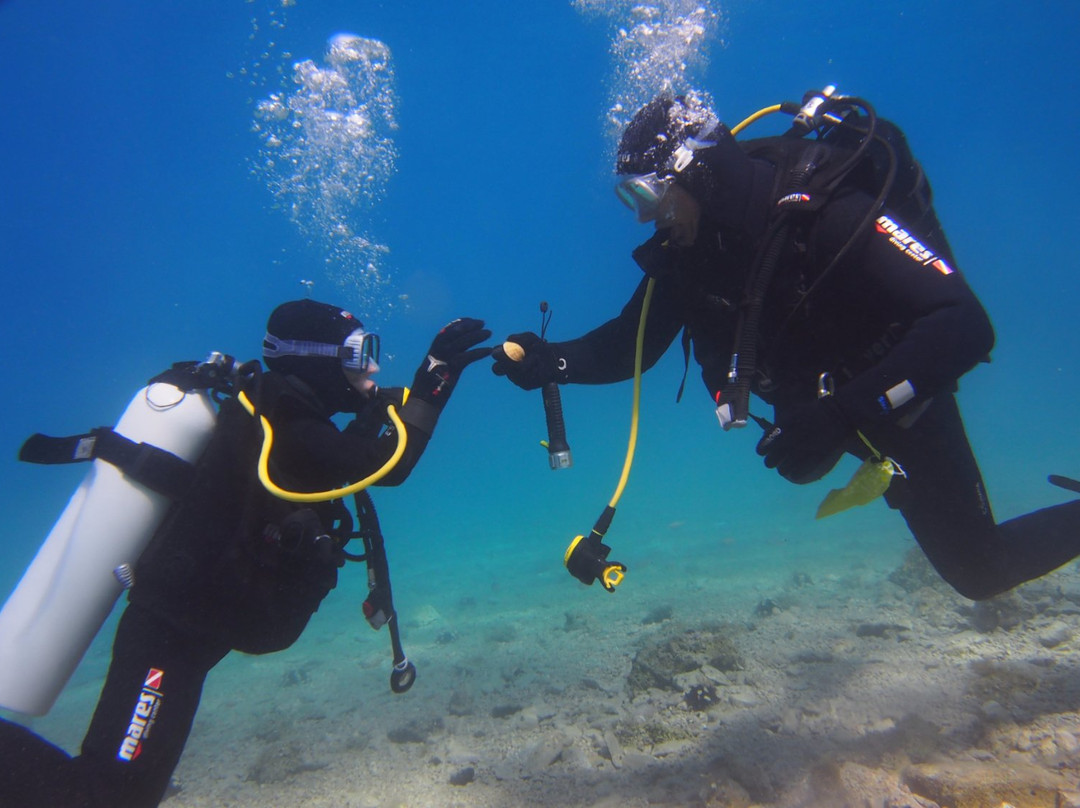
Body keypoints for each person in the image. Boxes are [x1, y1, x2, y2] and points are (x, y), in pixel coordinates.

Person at [491, 89, 1080, 600]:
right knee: (833, 472)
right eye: (632, 201)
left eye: (648, 197)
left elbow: (965, 323)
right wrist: (552, 361)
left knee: (981, 568)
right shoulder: (688, 256)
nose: (648, 220)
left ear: (696, 172)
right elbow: (628, 347)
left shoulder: (826, 212)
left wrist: (842, 415)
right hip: (820, 409)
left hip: (898, 398)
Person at [0, 298, 491, 808]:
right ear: (315, 359)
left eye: (370, 350)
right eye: (356, 353)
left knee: (123, 793)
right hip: (171, 631)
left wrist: (377, 407)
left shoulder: (277, 412)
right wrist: (437, 376)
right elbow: (386, 465)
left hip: (194, 626)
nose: (370, 365)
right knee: (108, 793)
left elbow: (325, 462)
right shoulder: (287, 419)